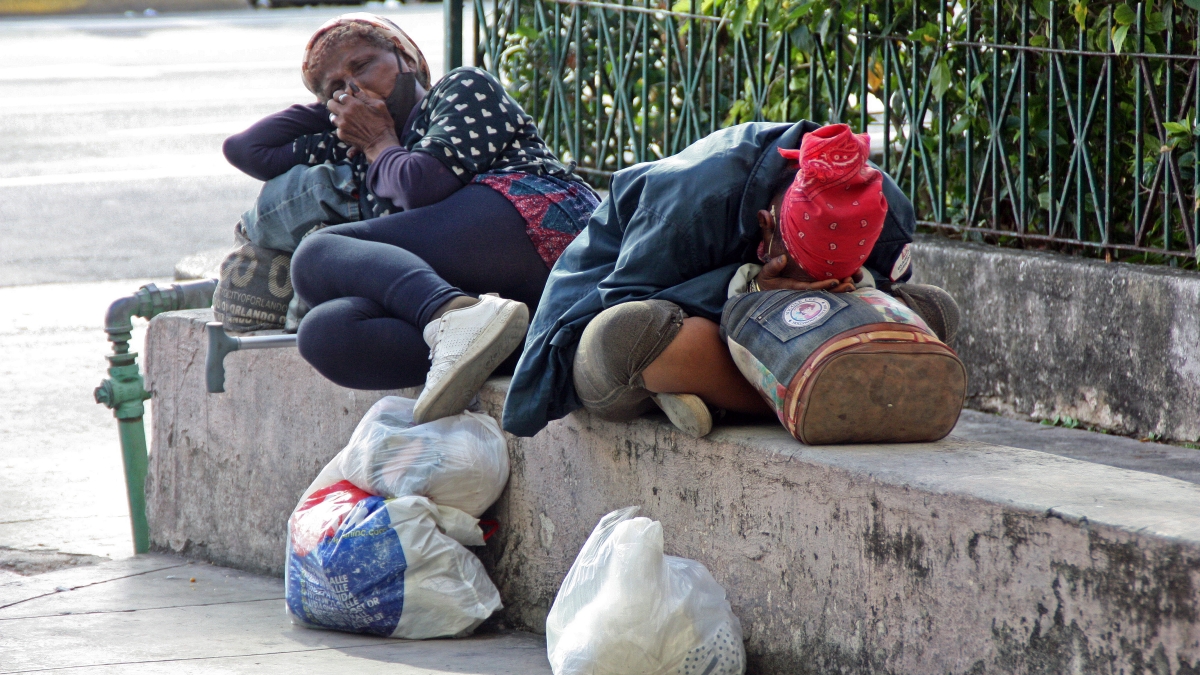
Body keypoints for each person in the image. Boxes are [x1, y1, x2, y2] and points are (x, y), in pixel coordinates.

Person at [222, 14, 599, 424]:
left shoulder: (462, 88)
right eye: (337, 87)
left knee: (316, 254)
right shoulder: (355, 145)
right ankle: (506, 341)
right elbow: (247, 149)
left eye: (362, 66)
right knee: (323, 332)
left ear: (407, 59)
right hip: (519, 307)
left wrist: (378, 139)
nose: (353, 86)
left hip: (546, 230)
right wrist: (336, 107)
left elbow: (422, 186)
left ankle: (453, 314)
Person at [503, 121, 958, 439]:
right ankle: (828, 398)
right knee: (624, 336)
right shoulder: (687, 206)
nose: (811, 286)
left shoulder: (880, 207)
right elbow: (622, 299)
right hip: (638, 309)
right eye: (799, 274)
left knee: (934, 310)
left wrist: (859, 287)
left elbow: (888, 291)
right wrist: (751, 293)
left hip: (788, 342)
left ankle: (741, 395)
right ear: (766, 225)